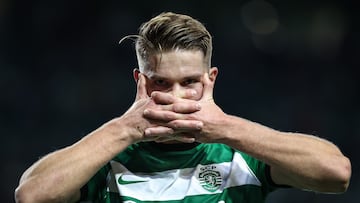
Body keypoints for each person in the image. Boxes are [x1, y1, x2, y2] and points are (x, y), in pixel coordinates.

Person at [15, 12, 351, 203]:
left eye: (189, 82)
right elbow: (31, 196)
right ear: (140, 82)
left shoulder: (241, 154)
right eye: (161, 82)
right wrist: (124, 128)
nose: (176, 97)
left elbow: (336, 174)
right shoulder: (108, 159)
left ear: (210, 80)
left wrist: (226, 128)